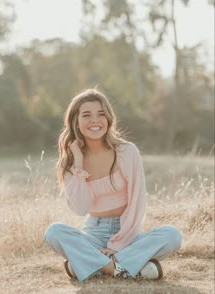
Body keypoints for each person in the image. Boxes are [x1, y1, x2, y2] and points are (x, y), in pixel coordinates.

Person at [44, 88, 182, 282]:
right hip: (93, 233)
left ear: (109, 118)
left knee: (172, 235)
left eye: (101, 114)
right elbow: (80, 208)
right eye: (86, 115)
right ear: (76, 121)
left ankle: (91, 266)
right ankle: (124, 268)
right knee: (54, 232)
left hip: (128, 231)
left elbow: (137, 202)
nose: (95, 120)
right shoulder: (69, 164)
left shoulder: (127, 152)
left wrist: (118, 246)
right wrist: (78, 162)